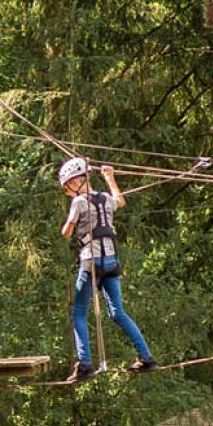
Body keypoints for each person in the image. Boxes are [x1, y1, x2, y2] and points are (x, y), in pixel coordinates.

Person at [58, 156, 156, 381]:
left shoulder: (79, 202)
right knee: (118, 312)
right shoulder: (104, 199)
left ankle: (84, 364)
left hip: (91, 262)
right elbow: (119, 201)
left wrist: (69, 223)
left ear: (75, 182)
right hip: (111, 262)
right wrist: (110, 177)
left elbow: (67, 233)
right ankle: (146, 357)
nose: (69, 192)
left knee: (79, 313)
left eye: (68, 188)